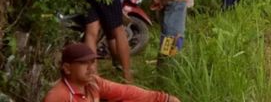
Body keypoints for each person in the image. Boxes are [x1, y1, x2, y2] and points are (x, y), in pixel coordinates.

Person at [43, 43, 181, 102]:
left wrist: (163, 99)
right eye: (83, 63)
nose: (90, 68)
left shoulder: (93, 83)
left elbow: (126, 91)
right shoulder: (58, 96)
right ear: (67, 68)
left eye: (92, 62)